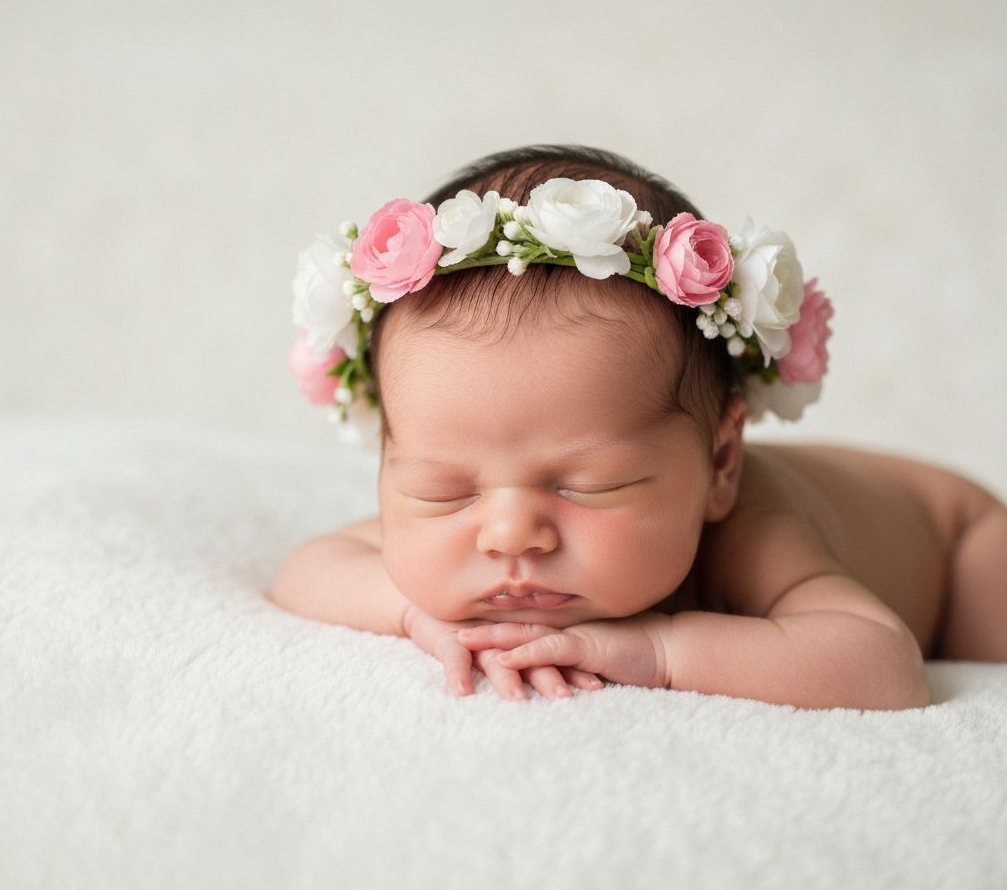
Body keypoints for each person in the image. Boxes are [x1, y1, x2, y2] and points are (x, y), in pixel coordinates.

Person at [269, 144, 1007, 710]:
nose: (508, 534)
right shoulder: (479, 496)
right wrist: (412, 614)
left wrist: (659, 648)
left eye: (588, 485)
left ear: (719, 464)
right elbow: (308, 570)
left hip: (958, 537)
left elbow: (882, 663)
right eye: (442, 492)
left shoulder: (752, 528)